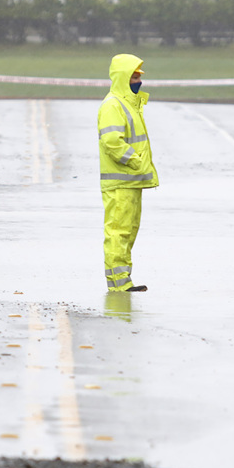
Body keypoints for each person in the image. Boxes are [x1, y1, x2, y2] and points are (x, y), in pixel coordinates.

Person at [98, 53, 159, 292]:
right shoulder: (113, 105)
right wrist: (134, 162)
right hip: (121, 182)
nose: (139, 81)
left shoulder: (129, 104)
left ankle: (123, 280)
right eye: (134, 76)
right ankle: (118, 283)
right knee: (118, 232)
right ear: (124, 77)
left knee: (128, 231)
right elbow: (112, 141)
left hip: (131, 182)